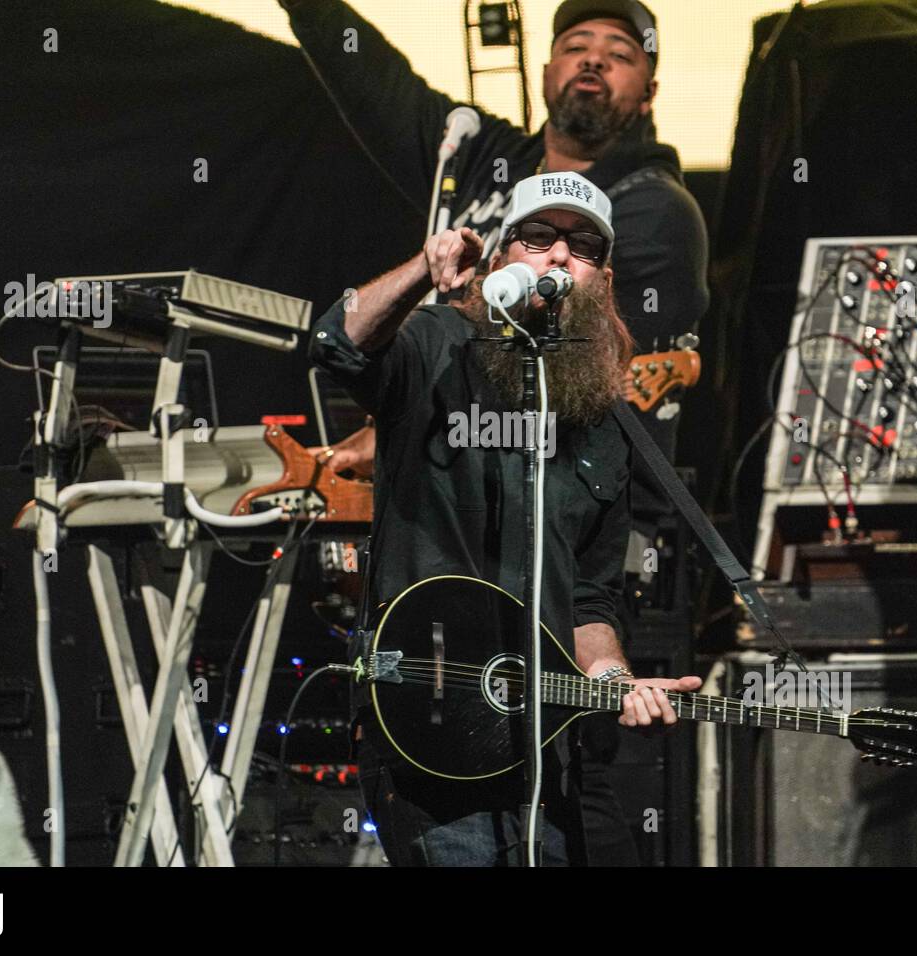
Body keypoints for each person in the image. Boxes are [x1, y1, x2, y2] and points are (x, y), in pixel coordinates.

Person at [282, 0, 709, 865]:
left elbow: (589, 601)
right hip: (435, 721)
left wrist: (612, 678)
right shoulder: (440, 338)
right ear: (502, 252)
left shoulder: (603, 407)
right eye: (538, 238)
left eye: (579, 248)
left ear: (603, 275)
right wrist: (425, 271)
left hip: (548, 727)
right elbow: (336, 344)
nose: (556, 258)